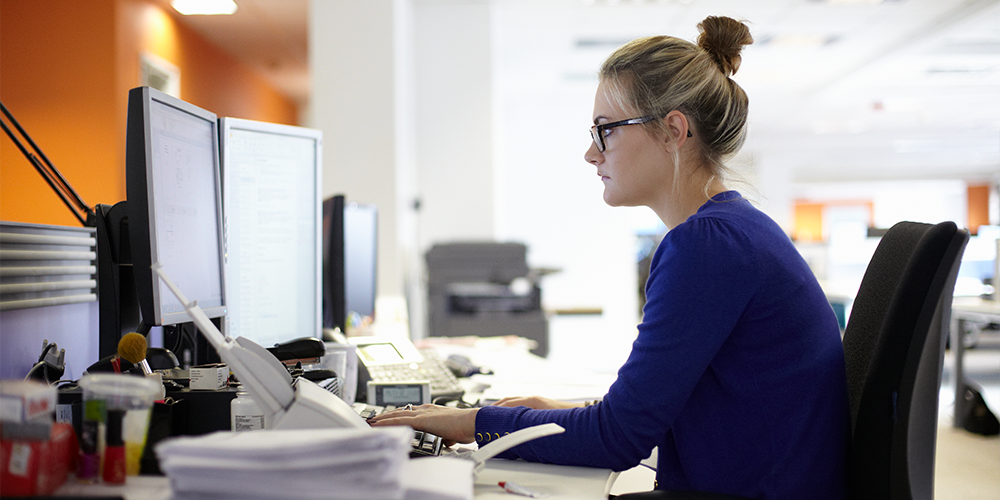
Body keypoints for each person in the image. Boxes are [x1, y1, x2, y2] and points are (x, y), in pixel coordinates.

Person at [370, 15, 849, 499]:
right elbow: (656, 415)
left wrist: (470, 421)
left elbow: (617, 439)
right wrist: (551, 414)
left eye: (606, 130)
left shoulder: (707, 246)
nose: (591, 153)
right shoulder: (734, 231)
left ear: (673, 131)